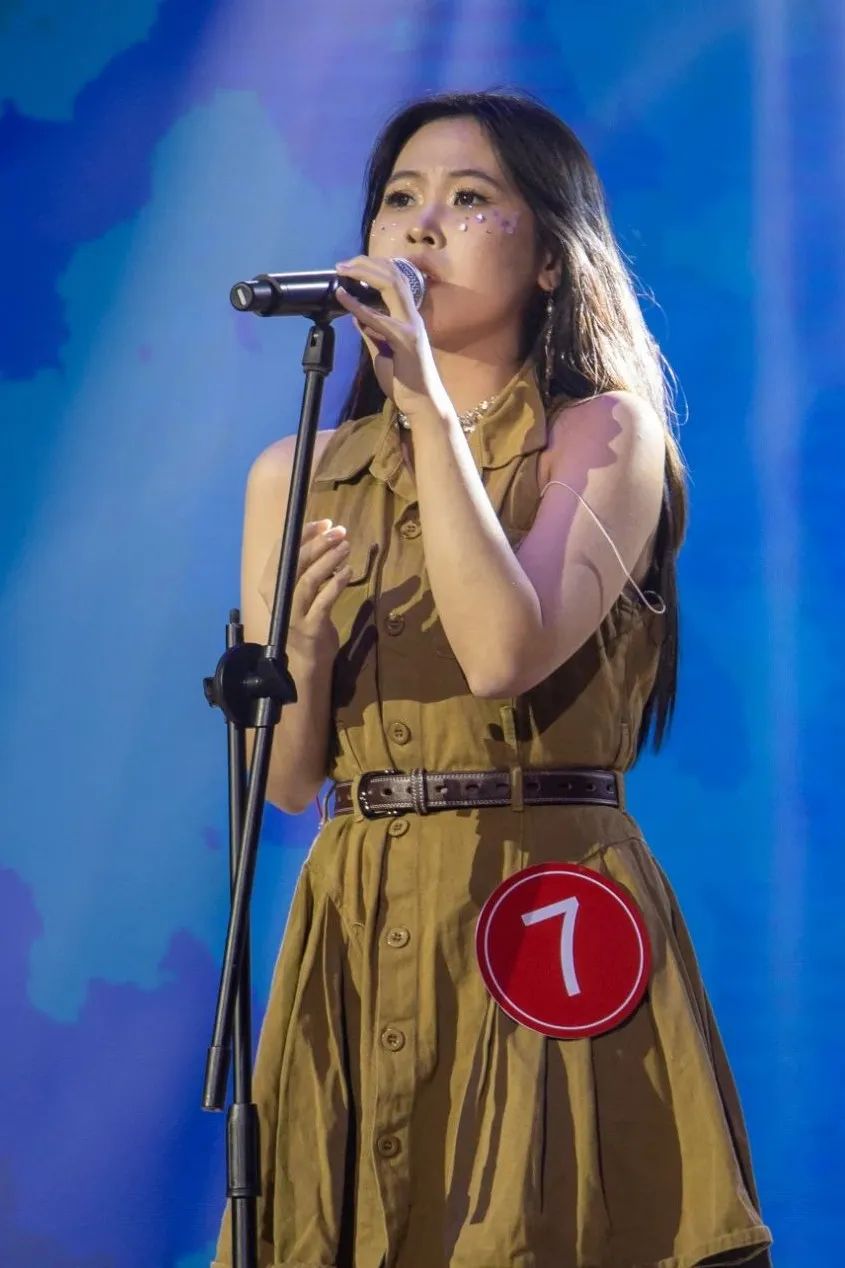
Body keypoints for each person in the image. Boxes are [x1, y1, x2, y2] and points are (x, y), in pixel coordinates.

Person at [213, 91, 772, 1268]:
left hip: (538, 910)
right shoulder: (295, 471)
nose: (422, 226)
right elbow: (288, 782)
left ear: (552, 260)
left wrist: (424, 401)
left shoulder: (602, 437)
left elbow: (499, 653)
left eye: (470, 200)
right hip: (361, 911)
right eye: (399, 199)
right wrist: (300, 650)